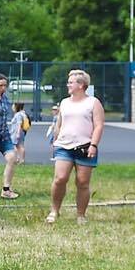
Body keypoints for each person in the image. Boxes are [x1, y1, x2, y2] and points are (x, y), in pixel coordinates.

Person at [47, 69, 105, 224]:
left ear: (81, 85)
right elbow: (59, 123)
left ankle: (81, 214)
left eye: (71, 82)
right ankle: (54, 210)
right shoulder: (65, 102)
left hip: (85, 147)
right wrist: (55, 139)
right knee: (60, 178)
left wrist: (93, 145)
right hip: (64, 146)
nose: (68, 85)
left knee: (82, 182)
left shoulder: (93, 103)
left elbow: (99, 126)